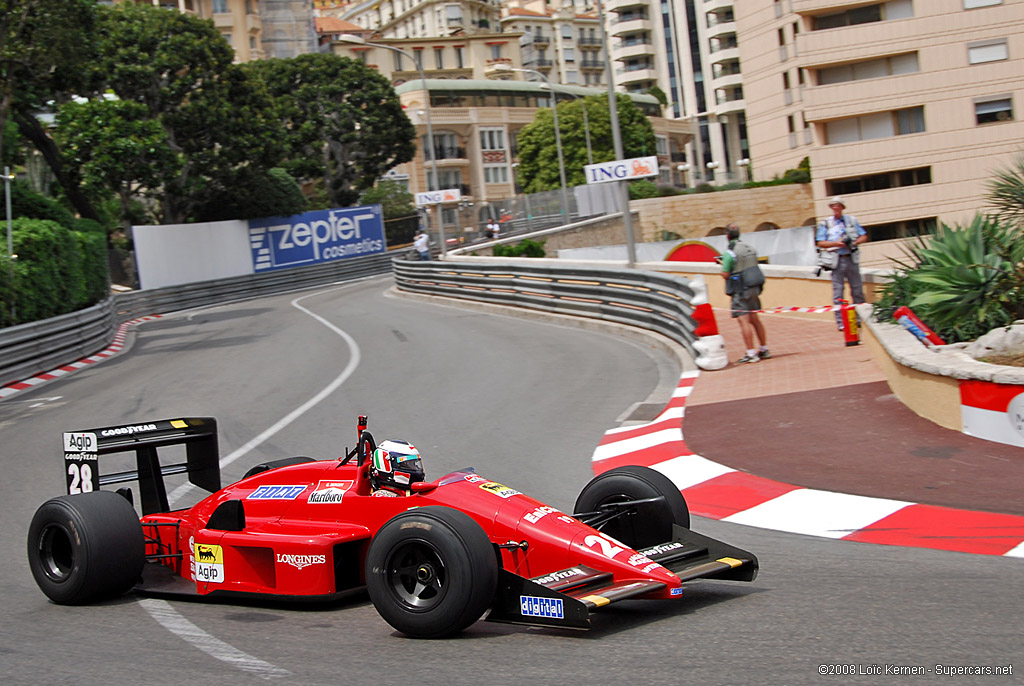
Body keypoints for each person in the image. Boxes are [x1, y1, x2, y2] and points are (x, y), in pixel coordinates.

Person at [720, 223, 770, 364]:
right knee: (755, 319)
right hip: (754, 286)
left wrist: (722, 265)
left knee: (744, 321)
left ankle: (750, 353)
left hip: (740, 289)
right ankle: (764, 349)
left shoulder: (730, 252)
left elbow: (725, 274)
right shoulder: (750, 248)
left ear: (727, 236)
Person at [816, 196, 868, 329]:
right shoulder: (826, 223)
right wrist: (836, 244)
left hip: (851, 257)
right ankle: (841, 323)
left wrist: (854, 242)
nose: (835, 208)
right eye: (833, 206)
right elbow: (820, 242)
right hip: (836, 260)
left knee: (857, 291)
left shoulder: (851, 220)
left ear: (842, 207)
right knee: (838, 293)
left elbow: (864, 236)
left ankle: (860, 319)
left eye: (838, 205)